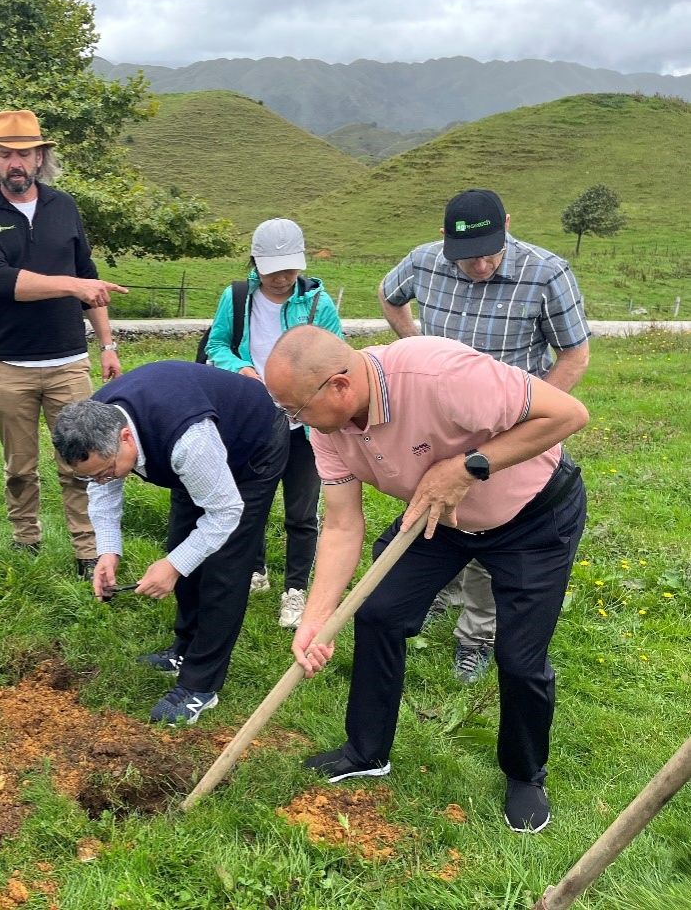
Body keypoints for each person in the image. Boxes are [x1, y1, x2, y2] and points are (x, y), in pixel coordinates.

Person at [264, 326, 588, 833]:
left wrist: (468, 466)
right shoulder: (327, 429)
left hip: (533, 516)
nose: (292, 421)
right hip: (437, 517)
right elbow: (343, 525)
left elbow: (569, 414)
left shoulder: (441, 374)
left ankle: (526, 775)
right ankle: (367, 751)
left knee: (519, 658)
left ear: (339, 386)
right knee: (378, 613)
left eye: (294, 409)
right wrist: (316, 619)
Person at [379, 188, 590, 683]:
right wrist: (414, 344)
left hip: (507, 429)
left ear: (508, 226)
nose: (478, 265)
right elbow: (390, 296)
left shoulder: (547, 273)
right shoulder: (425, 262)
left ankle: (476, 636)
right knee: (445, 511)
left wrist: (530, 417)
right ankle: (435, 592)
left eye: (489, 252)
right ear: (443, 240)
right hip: (440, 423)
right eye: (467, 255)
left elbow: (574, 355)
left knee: (494, 525)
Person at [52, 361, 288, 724]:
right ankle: (185, 647)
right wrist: (108, 552)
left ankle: (200, 686)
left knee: (225, 563)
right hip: (192, 444)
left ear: (125, 438)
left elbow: (225, 512)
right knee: (183, 539)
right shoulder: (98, 423)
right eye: (91, 476)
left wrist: (174, 566)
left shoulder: (188, 440)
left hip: (251, 446)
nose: (101, 481)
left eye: (105, 471)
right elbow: (104, 492)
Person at [0, 109, 127, 578]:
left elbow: (88, 275)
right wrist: (70, 287)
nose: (15, 162)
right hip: (10, 363)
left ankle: (87, 549)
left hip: (70, 360)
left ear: (40, 157)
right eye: (6, 153)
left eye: (24, 153)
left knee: (81, 460)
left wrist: (107, 342)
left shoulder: (64, 207)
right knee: (20, 466)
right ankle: (25, 538)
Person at [203, 217, 342, 628]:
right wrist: (242, 368)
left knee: (302, 510)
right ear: (255, 263)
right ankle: (255, 570)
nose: (282, 278)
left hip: (304, 421)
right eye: (273, 269)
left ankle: (295, 590)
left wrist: (305, 389)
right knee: (251, 501)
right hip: (253, 418)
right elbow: (216, 345)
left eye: (290, 268)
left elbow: (337, 360)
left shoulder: (318, 304)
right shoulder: (237, 296)